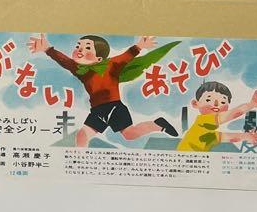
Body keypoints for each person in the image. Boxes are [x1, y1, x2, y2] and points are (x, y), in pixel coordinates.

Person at [28, 33, 176, 147]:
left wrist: (139, 46)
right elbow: (65, 61)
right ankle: (79, 164)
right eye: (78, 46)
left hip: (114, 107)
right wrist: (47, 49)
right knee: (82, 136)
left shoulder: (110, 65)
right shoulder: (80, 70)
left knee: (130, 135)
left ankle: (158, 125)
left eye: (87, 48)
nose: (80, 50)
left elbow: (125, 57)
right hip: (97, 110)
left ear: (99, 59)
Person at [177, 81, 257, 152]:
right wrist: (251, 104)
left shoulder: (208, 133)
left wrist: (246, 136)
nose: (216, 104)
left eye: (223, 102)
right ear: (195, 104)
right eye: (208, 100)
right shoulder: (203, 120)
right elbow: (234, 114)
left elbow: (228, 137)